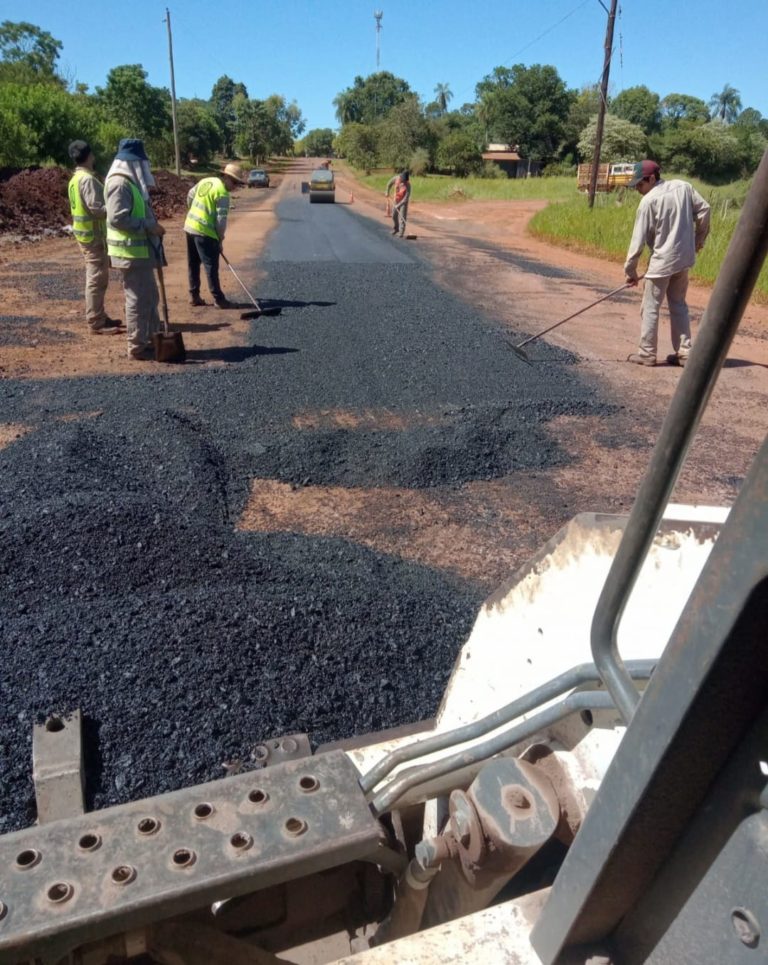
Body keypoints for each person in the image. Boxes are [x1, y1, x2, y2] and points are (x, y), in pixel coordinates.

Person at [624, 159, 710, 367]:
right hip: (683, 259)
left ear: (652, 178)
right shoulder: (684, 187)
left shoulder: (648, 202)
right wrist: (698, 240)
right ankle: (684, 353)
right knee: (678, 304)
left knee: (650, 307)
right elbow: (705, 209)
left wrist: (630, 270)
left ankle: (647, 353)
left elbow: (638, 242)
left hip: (662, 262)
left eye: (640, 184)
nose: (637, 189)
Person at [105, 138, 165, 360]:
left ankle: (151, 339)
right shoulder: (119, 184)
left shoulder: (129, 183)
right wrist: (149, 226)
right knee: (137, 300)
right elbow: (117, 219)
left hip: (140, 254)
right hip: (130, 253)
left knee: (149, 297)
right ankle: (137, 346)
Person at [67, 140, 121, 333]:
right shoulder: (87, 180)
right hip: (93, 237)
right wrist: (116, 208)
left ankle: (99, 314)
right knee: (96, 278)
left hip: (86, 235)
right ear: (89, 156)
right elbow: (97, 209)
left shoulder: (76, 178)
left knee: (97, 277)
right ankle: (96, 321)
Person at [184, 163, 246, 308]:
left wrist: (192, 212)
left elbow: (190, 195)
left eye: (238, 183)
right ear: (226, 177)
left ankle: (194, 296)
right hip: (204, 232)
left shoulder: (207, 181)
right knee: (211, 266)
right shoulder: (223, 194)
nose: (235, 186)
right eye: (235, 182)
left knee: (193, 263)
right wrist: (219, 239)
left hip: (190, 227)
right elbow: (221, 221)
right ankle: (219, 299)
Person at [392, 170, 411, 238]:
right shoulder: (397, 179)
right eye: (403, 179)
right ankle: (396, 228)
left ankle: (401, 232)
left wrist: (399, 205)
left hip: (403, 202)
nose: (404, 181)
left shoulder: (408, 185)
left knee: (402, 216)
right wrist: (387, 191)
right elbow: (389, 184)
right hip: (396, 199)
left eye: (405, 180)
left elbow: (406, 198)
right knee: (393, 215)